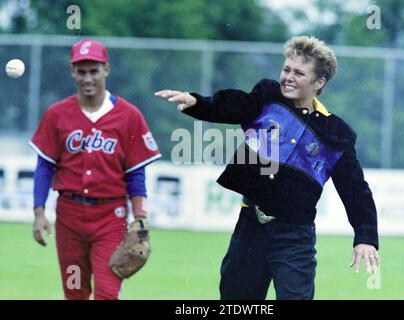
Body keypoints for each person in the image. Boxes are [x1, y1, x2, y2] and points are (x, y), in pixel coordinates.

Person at [155, 35, 380, 300]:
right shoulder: (267, 97)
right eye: (286, 69)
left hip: (295, 236)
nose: (288, 77)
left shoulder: (337, 134)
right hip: (250, 227)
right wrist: (199, 103)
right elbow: (235, 105)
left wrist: (365, 236)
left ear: (319, 82)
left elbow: (355, 190)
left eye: (299, 73)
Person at [29, 39, 161, 300]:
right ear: (72, 72)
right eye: (81, 71)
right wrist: (39, 212)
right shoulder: (57, 114)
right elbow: (45, 166)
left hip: (110, 217)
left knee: (107, 292)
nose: (87, 78)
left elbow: (135, 172)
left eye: (94, 70)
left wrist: (140, 215)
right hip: (69, 218)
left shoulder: (128, 116)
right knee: (75, 291)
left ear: (106, 70)